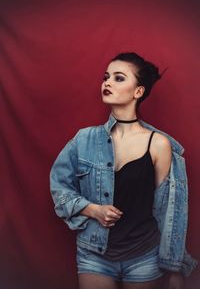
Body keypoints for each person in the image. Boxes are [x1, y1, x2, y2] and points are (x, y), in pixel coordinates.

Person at [50, 52, 198, 289]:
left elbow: (167, 208)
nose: (107, 82)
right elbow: (59, 186)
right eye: (106, 77)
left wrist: (173, 267)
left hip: (144, 255)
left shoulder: (158, 143)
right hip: (94, 253)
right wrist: (92, 209)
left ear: (138, 91)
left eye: (118, 78)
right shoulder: (84, 139)